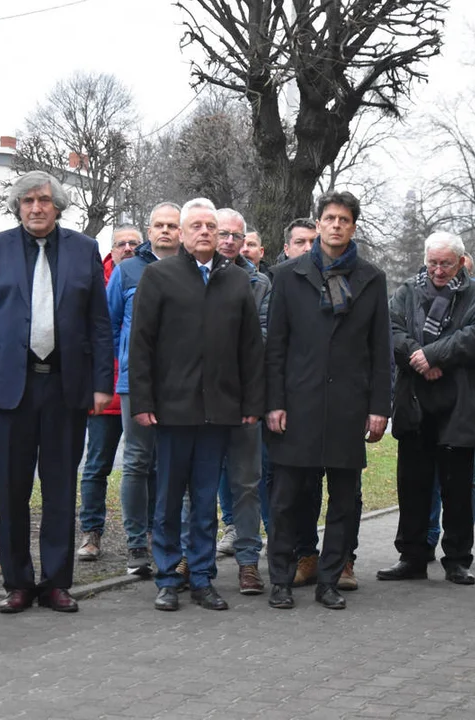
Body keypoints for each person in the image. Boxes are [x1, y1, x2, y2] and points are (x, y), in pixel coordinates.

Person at [0, 171, 114, 614]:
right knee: (11, 490)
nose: (35, 208)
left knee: (61, 488)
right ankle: (18, 583)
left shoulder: (84, 250)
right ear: (17, 207)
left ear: (58, 206)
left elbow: (99, 325)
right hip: (8, 391)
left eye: (43, 200)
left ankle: (57, 582)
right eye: (26, 201)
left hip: (66, 387)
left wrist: (103, 383)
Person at [128, 198, 265, 612]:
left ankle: (203, 578)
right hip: (172, 409)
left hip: (220, 409)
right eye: (197, 226)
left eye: (212, 226)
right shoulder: (159, 276)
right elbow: (142, 344)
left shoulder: (237, 281)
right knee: (169, 497)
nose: (205, 232)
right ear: (184, 235)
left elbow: (250, 349)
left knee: (206, 499)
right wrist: (143, 400)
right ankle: (169, 577)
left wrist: (251, 402)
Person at [265, 190, 391, 610]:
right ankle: (280, 579)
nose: (337, 225)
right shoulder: (287, 275)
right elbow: (276, 346)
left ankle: (330, 580)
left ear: (353, 227)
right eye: (330, 218)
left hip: (347, 407)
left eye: (345, 220)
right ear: (317, 223)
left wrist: (378, 407)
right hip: (297, 404)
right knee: (286, 500)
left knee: (344, 501)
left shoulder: (371, 278)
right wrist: (274, 402)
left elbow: (380, 348)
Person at [378, 232, 475, 585]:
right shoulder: (406, 292)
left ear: (461, 262)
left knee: (457, 488)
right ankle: (412, 556)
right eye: (433, 263)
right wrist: (419, 358)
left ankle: (458, 559)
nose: (438, 270)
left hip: (459, 404)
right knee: (412, 486)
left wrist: (433, 354)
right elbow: (391, 329)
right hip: (415, 403)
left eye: (446, 263)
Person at [108, 204, 182, 575]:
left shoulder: (191, 270)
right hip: (134, 383)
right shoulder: (125, 272)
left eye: (173, 225)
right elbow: (108, 326)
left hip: (181, 384)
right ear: (149, 231)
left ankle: (168, 541)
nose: (166, 231)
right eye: (159, 225)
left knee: (174, 464)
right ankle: (136, 545)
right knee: (137, 461)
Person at [213, 208, 271, 595]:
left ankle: (249, 564)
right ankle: (192, 561)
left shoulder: (259, 283)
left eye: (237, 235)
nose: (230, 241)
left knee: (247, 484)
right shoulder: (189, 275)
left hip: (245, 397)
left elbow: (264, 337)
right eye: (223, 233)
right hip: (197, 399)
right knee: (195, 483)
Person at [76, 224, 142, 562]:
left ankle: (144, 537)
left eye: (134, 243)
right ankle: (91, 533)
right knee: (97, 465)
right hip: (104, 393)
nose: (128, 248)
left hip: (138, 392)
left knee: (143, 467)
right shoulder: (94, 283)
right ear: (111, 250)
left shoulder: (149, 276)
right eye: (121, 243)